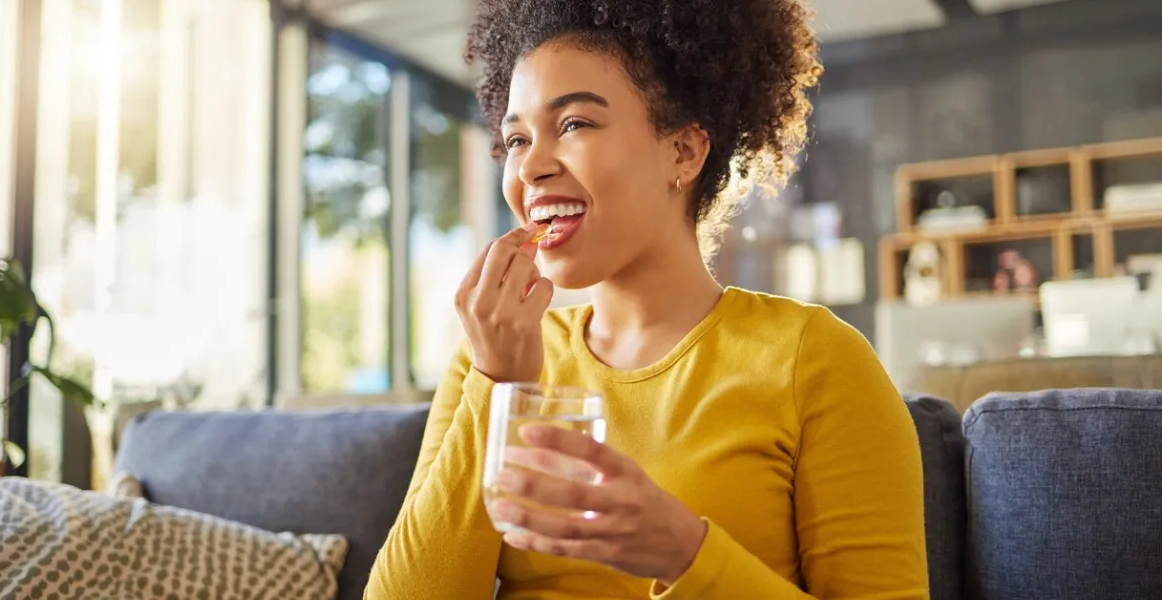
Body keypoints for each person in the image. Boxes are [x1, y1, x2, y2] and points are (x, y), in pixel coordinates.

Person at [364, 0, 929, 598]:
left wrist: (685, 553)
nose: (529, 167)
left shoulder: (815, 361)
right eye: (516, 139)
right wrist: (497, 387)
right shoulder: (492, 357)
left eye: (575, 124)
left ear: (682, 152)